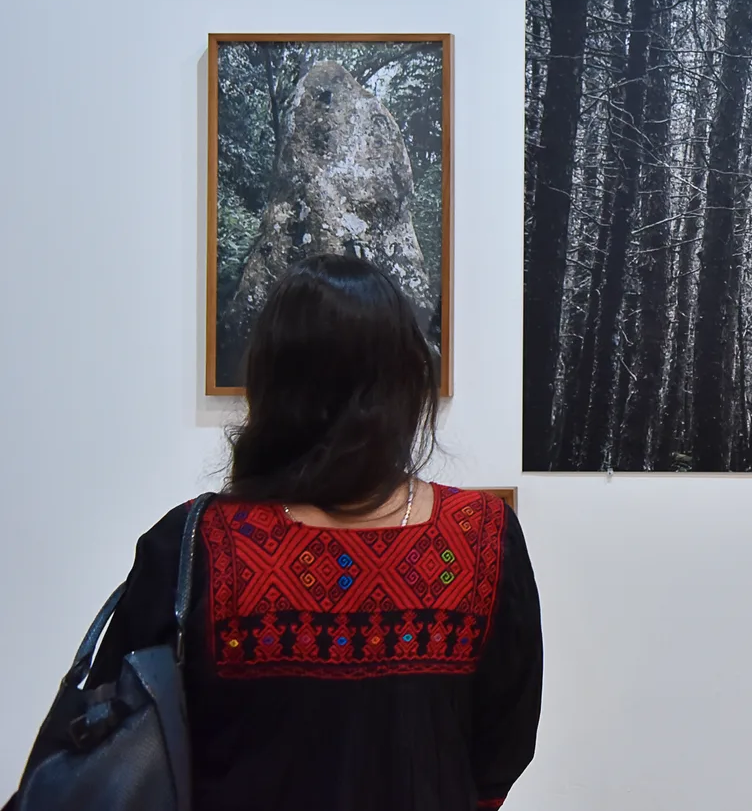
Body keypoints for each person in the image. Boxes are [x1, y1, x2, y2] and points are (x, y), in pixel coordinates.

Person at [38, 254, 543, 810]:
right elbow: (500, 756)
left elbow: (113, 736)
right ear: (406, 382)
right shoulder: (479, 538)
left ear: (271, 384)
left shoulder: (196, 541)